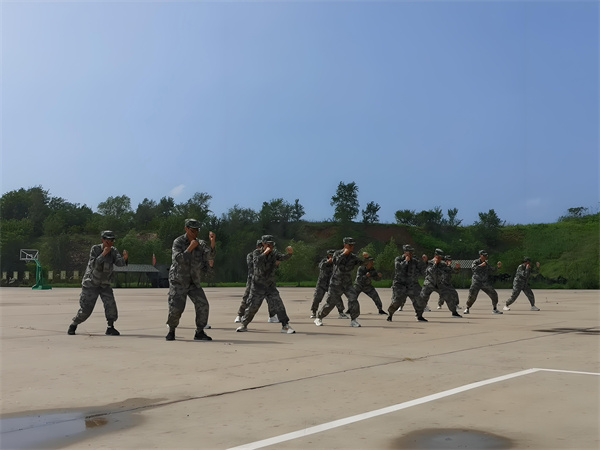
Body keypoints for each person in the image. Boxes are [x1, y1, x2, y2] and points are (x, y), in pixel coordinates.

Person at [67, 231, 128, 336]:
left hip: (104, 284)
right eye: (108, 240)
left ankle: (110, 327)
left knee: (111, 306)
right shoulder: (95, 249)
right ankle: (74, 324)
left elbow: (119, 263)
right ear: (102, 240)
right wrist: (103, 254)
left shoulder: (113, 251)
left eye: (112, 240)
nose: (110, 242)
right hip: (91, 283)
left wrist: (125, 258)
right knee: (86, 309)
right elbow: (94, 264)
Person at [165, 219, 216, 341]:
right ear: (186, 229)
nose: (195, 233)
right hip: (179, 280)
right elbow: (178, 259)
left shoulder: (201, 244)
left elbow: (210, 256)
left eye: (197, 231)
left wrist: (212, 242)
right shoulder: (178, 242)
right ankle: (171, 331)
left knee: (203, 304)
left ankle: (200, 332)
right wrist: (190, 248)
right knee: (176, 307)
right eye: (193, 231)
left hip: (194, 281)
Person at [236, 235, 295, 333]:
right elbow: (256, 262)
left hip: (270, 286)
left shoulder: (274, 253)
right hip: (258, 286)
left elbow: (282, 257)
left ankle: (285, 325)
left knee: (279, 305)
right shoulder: (256, 253)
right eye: (268, 244)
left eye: (272, 244)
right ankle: (244, 324)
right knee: (252, 307)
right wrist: (265, 253)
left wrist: (289, 254)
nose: (271, 246)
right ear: (263, 244)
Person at [314, 237, 368, 327]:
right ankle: (319, 317)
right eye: (350, 245)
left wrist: (367, 258)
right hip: (336, 284)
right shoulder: (337, 253)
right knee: (330, 303)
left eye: (353, 245)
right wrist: (344, 254)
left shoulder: (353, 257)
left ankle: (354, 320)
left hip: (347, 284)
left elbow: (362, 263)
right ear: (345, 245)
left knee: (353, 299)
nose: (352, 247)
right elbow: (336, 261)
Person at [386, 245, 428, 322]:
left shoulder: (415, 261)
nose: (411, 254)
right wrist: (405, 262)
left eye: (412, 252)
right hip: (400, 284)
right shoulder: (398, 259)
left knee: (420, 299)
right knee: (397, 301)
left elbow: (423, 271)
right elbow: (398, 269)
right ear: (405, 253)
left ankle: (419, 315)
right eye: (409, 252)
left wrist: (425, 262)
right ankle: (390, 314)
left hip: (412, 284)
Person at [419, 249, 462, 318]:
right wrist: (435, 264)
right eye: (438, 257)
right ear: (435, 256)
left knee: (448, 297)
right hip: (429, 283)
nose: (440, 259)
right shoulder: (429, 263)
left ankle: (454, 312)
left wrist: (457, 268)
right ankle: (419, 315)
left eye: (441, 257)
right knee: (423, 298)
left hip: (439, 284)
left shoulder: (442, 264)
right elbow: (431, 272)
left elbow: (450, 271)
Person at [310, 250, 348, 319]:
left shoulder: (336, 263)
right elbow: (321, 266)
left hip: (331, 284)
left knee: (336, 297)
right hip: (322, 284)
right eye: (331, 255)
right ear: (328, 256)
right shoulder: (324, 261)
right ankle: (314, 312)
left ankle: (341, 312)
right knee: (317, 297)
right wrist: (328, 262)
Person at [463, 250, 503, 315]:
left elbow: (492, 269)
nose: (485, 257)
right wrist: (480, 265)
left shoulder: (486, 263)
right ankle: (467, 308)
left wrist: (498, 267)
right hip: (476, 281)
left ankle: (495, 309)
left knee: (494, 294)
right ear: (480, 255)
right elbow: (473, 269)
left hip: (484, 282)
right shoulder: (476, 262)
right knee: (472, 296)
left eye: (486, 256)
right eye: (484, 256)